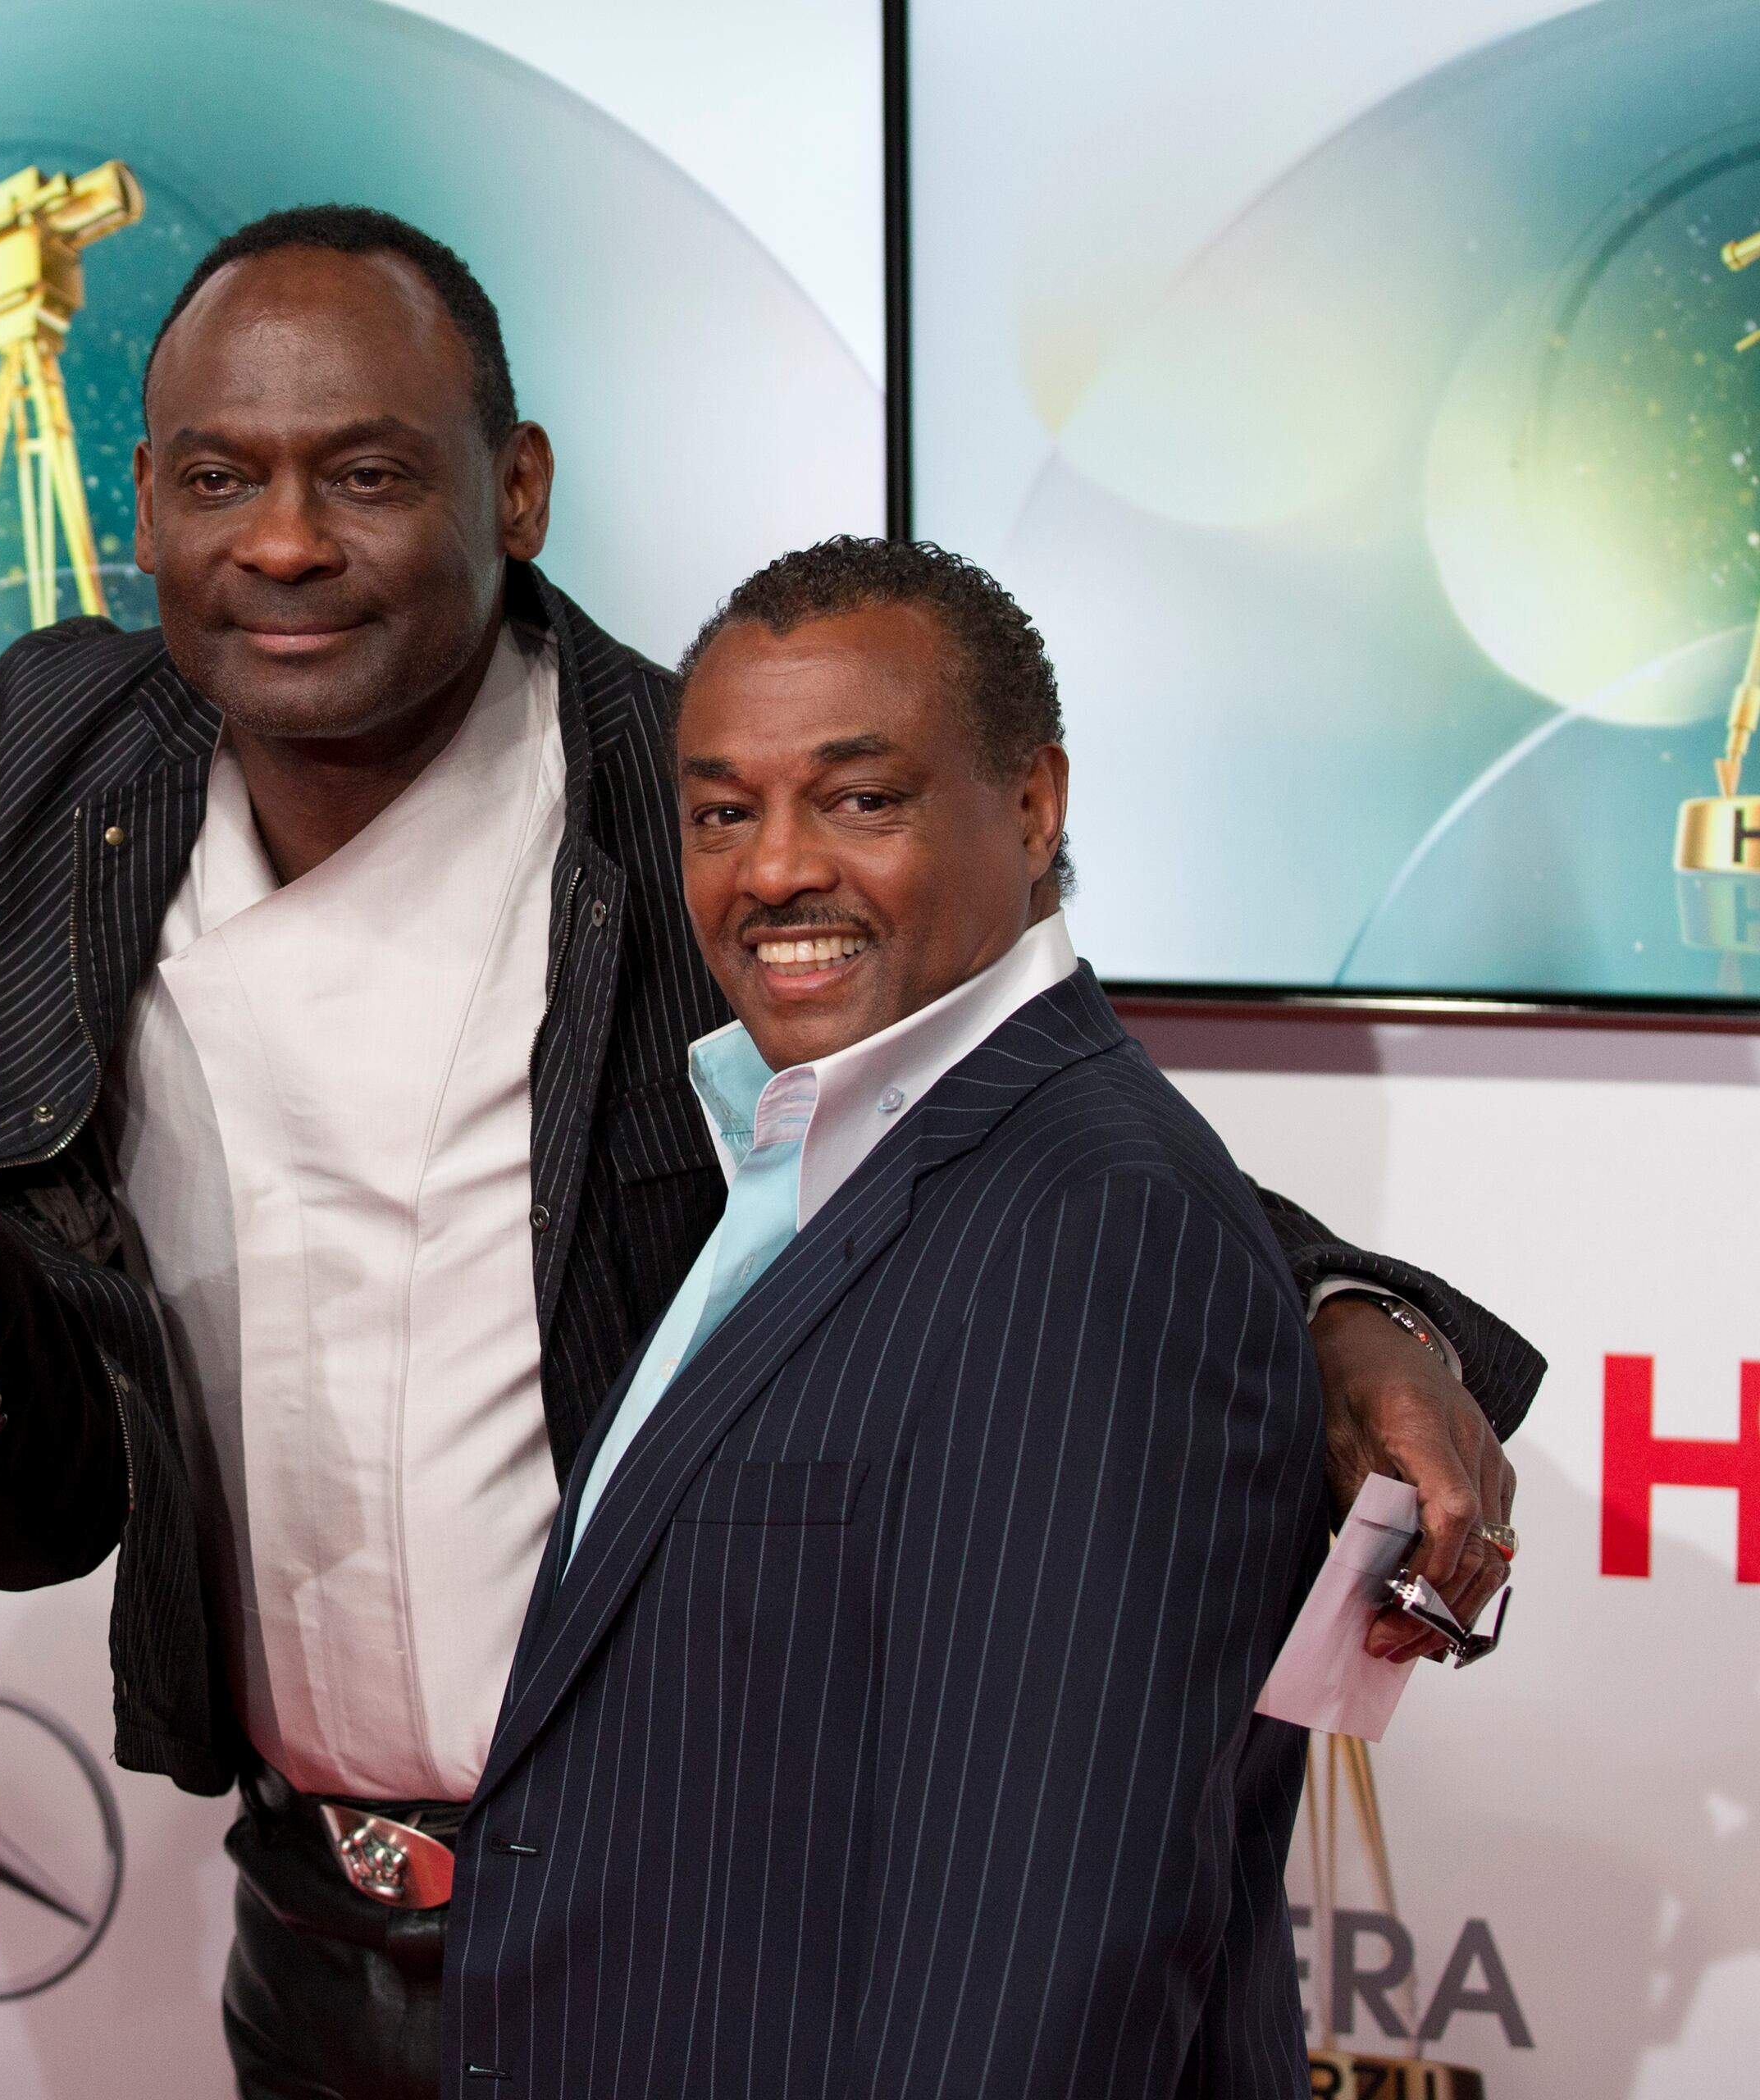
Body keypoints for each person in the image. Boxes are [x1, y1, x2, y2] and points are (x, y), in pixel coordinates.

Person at [0, 209, 1535, 2097]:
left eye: (368, 473)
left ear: (517, 486)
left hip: (680, 1938)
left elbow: (995, 1100)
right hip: (301, 1938)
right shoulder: (75, 754)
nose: (286, 542)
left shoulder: (681, 807)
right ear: (138, 507)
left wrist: (1344, 1315)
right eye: (219, 479)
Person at [441, 536, 1334, 2095]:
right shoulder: (802, 1157)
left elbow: (1041, 1965)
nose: (773, 867)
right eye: (723, 811)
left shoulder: (1094, 1234)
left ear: (1035, 806)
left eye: (860, 800)